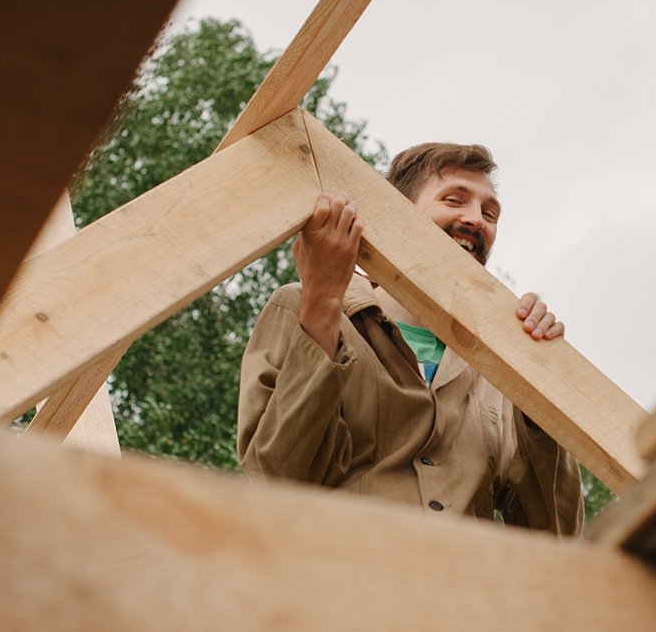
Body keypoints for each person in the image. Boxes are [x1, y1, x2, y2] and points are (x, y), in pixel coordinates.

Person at [236, 143, 583, 535]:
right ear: (396, 213)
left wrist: (541, 394)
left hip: (462, 593)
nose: (476, 220)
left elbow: (554, 532)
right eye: (454, 200)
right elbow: (278, 475)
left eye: (489, 213)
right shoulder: (301, 307)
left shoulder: (500, 371)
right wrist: (323, 301)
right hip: (338, 586)